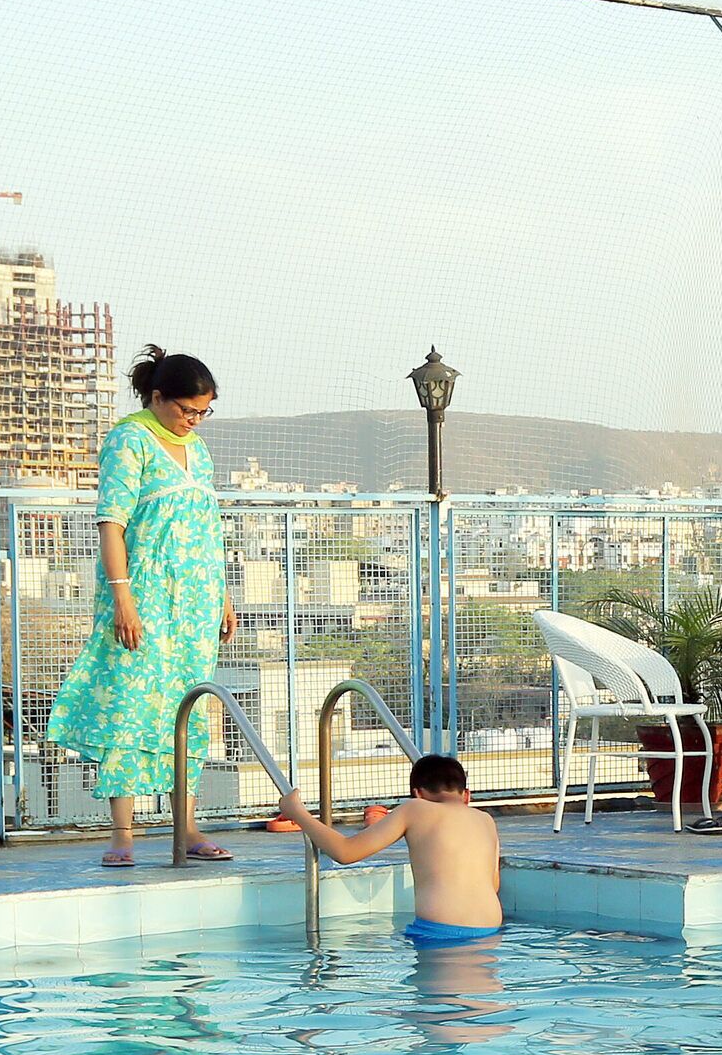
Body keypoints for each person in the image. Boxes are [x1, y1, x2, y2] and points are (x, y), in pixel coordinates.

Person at [45, 348, 236, 869]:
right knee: (130, 704)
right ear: (157, 397)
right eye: (186, 410)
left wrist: (223, 596)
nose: (194, 420)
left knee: (187, 708)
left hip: (195, 606)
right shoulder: (130, 441)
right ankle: (122, 833)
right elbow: (112, 522)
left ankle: (187, 825)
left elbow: (207, 528)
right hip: (145, 599)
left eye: (202, 412)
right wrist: (122, 598)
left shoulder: (198, 449)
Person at [273, 753, 505, 946]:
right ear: (467, 795)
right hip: (490, 931)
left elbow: (345, 852)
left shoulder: (415, 809)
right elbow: (493, 885)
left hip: (440, 931)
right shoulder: (485, 820)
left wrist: (297, 812)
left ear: (418, 793)